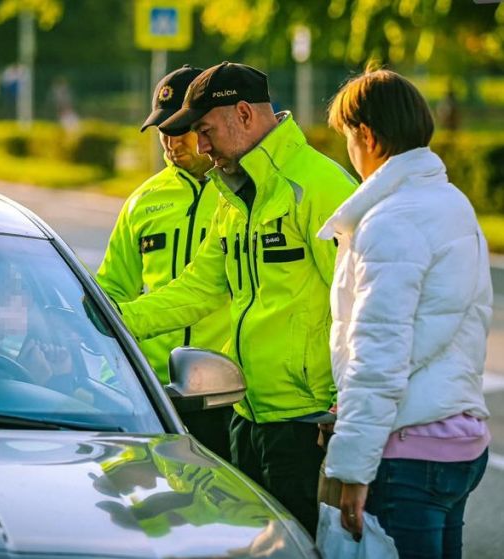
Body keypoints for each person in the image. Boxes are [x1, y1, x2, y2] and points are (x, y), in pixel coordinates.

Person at [118, 61, 357, 536]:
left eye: (205, 130)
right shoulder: (233, 195)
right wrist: (110, 321)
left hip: (307, 426)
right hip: (245, 418)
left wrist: (346, 411)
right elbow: (198, 287)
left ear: (243, 114)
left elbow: (360, 310)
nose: (201, 146)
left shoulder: (320, 188)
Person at [320, 68, 492, 557]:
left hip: (407, 453)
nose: (349, 153)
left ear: (368, 136)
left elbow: (378, 359)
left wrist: (351, 470)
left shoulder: (390, 221)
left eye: (348, 139)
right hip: (460, 442)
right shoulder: (452, 203)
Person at [95, 65, 232, 460]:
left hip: (228, 393)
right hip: (152, 392)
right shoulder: (142, 201)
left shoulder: (240, 196)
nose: (170, 143)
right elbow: (111, 290)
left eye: (179, 129)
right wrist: (113, 374)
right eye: (162, 132)